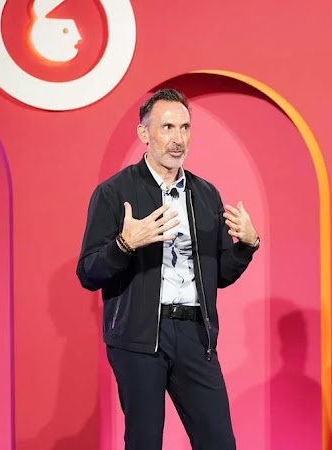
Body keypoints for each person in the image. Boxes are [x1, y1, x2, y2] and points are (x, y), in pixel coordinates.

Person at [76, 88, 260, 450]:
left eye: (185, 128)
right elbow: (87, 273)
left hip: (195, 336)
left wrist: (248, 246)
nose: (178, 139)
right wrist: (124, 244)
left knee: (219, 442)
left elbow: (220, 274)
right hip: (139, 339)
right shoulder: (114, 193)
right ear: (145, 134)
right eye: (168, 128)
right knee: (144, 442)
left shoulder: (205, 194)